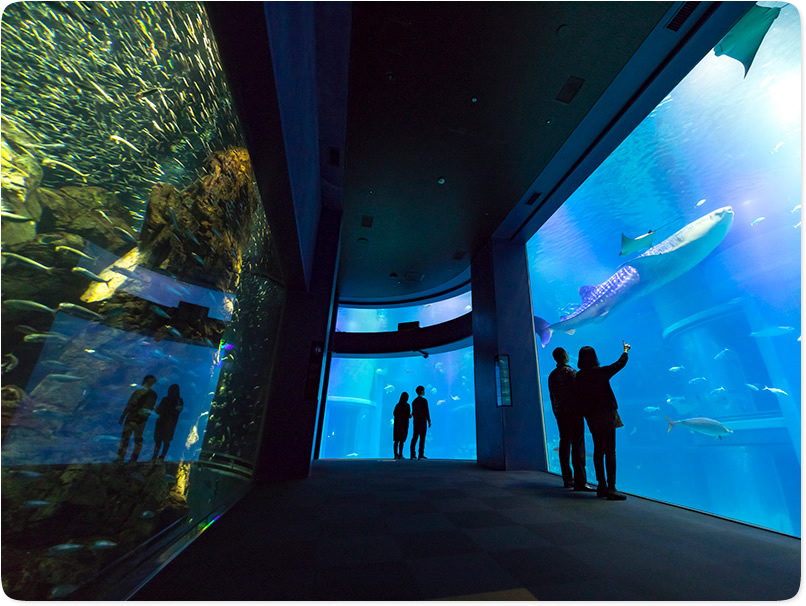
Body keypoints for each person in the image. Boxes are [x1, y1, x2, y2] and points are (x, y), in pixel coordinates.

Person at [576, 341, 630, 500]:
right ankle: (612, 487)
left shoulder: (579, 376)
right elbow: (619, 365)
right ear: (594, 358)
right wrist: (625, 351)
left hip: (592, 416)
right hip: (607, 413)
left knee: (598, 450)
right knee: (610, 450)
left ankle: (601, 486)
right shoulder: (600, 372)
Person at [548, 347, 594, 492]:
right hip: (574, 413)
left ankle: (567, 479)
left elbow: (552, 397)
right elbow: (580, 393)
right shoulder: (572, 373)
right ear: (565, 357)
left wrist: (556, 412)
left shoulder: (552, 375)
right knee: (578, 445)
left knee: (564, 443)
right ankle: (580, 481)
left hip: (560, 414)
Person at [116, 375, 158, 463]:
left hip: (133, 418)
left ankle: (121, 458)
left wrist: (123, 416)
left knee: (126, 439)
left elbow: (130, 404)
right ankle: (133, 459)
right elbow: (151, 408)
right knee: (137, 440)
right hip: (141, 420)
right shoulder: (153, 395)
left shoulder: (138, 392)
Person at [152, 383, 184, 461]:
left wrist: (157, 409)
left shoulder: (178, 400)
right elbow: (159, 410)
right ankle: (158, 456)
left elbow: (159, 410)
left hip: (168, 423)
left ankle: (160, 456)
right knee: (161, 441)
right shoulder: (167, 399)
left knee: (164, 441)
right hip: (164, 423)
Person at [409, 385, 431, 460]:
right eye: (423, 390)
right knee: (422, 438)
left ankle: (412, 454)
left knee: (415, 437)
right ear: (421, 391)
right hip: (422, 422)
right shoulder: (424, 401)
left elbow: (414, 412)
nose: (424, 392)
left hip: (416, 422)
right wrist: (429, 420)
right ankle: (420, 454)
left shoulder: (414, 401)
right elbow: (427, 411)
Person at [392, 391, 411, 459]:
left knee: (396, 441)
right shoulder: (407, 405)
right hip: (404, 425)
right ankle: (400, 454)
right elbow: (408, 415)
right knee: (402, 441)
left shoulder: (397, 405)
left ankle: (395, 455)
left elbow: (394, 413)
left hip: (397, 425)